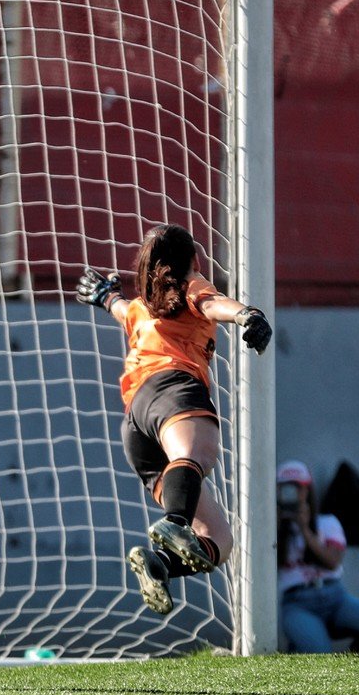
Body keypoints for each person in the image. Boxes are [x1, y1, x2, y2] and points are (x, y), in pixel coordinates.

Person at [76, 224, 272, 616]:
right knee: (201, 450)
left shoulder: (139, 308)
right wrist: (247, 314)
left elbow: (119, 308)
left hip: (136, 424)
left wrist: (104, 295)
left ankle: (159, 563)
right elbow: (215, 303)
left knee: (218, 540)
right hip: (172, 390)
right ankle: (174, 522)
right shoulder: (191, 285)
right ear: (192, 261)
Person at [276, 459, 359, 652]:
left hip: (335, 597)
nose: (293, 495)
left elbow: (332, 561)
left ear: (308, 491)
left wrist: (305, 529)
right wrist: (278, 523)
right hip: (297, 603)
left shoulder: (327, 522)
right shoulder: (273, 528)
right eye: (285, 490)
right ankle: (302, 646)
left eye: (298, 488)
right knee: (319, 651)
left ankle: (358, 665)